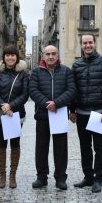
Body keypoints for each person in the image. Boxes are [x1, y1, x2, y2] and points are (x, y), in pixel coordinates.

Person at [70, 34, 102, 193]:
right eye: (85, 43)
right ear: (81, 45)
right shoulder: (76, 65)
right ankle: (88, 177)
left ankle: (98, 179)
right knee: (85, 147)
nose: (88, 45)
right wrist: (72, 110)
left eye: (90, 42)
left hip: (99, 113)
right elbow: (73, 89)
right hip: (81, 112)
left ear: (95, 43)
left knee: (99, 147)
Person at [29, 45, 75, 190]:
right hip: (42, 115)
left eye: (53, 54)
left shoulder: (66, 71)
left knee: (61, 149)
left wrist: (57, 103)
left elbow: (72, 90)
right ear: (43, 56)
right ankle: (41, 177)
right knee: (41, 148)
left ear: (57, 55)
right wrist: (46, 103)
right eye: (47, 54)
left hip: (60, 113)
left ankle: (61, 178)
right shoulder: (36, 72)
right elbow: (33, 90)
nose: (50, 56)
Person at [0, 45, 29, 189]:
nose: (10, 58)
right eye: (7, 55)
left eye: (13, 55)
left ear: (17, 57)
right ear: (4, 57)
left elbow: (25, 94)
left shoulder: (23, 74)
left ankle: (12, 175)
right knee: (1, 144)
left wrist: (11, 106)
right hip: (0, 114)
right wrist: (3, 105)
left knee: (15, 144)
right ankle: (2, 175)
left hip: (16, 114)